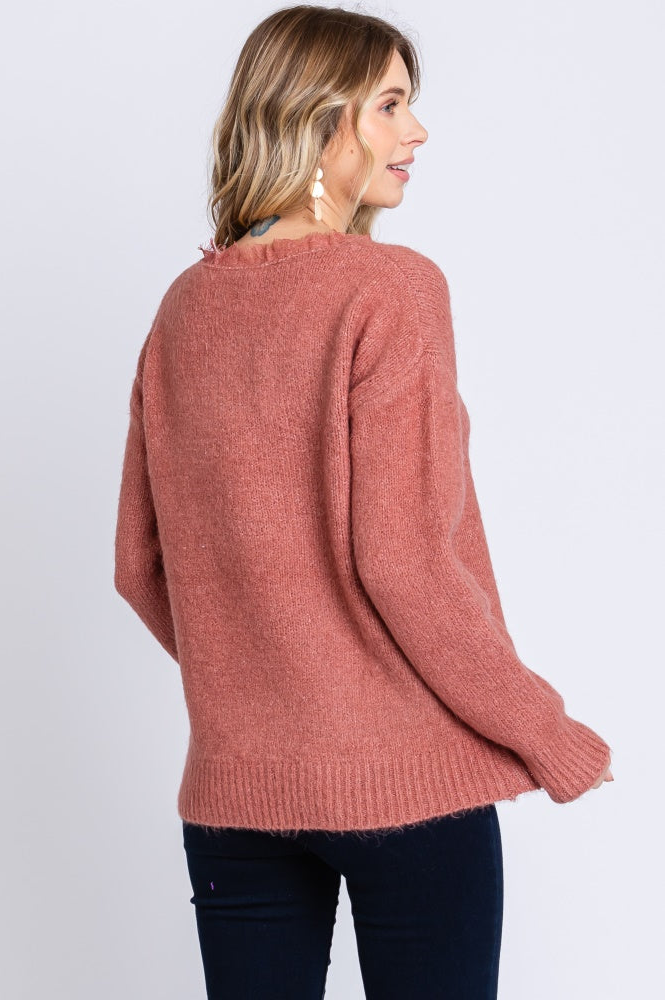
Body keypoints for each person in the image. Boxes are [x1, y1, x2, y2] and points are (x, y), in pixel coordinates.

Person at [113, 5, 614, 998]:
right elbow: (404, 560)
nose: (415, 131)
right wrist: (547, 733)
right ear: (316, 117)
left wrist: (270, 678)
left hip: (235, 795)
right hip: (410, 791)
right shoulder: (388, 289)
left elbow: (139, 566)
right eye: (388, 105)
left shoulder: (184, 308)